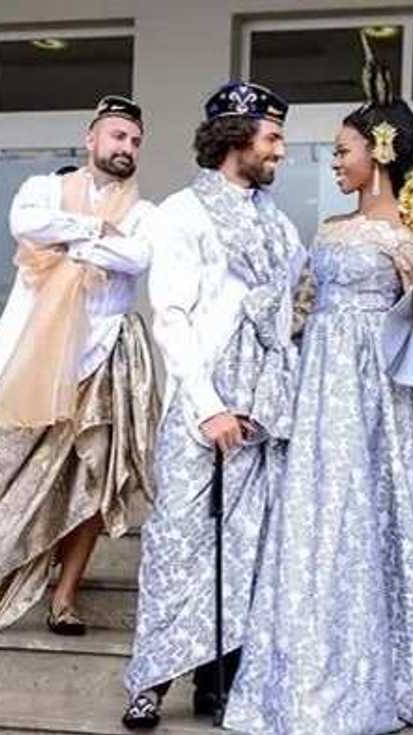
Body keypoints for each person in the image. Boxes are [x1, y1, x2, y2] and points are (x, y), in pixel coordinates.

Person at [222, 40, 413, 734]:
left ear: (381, 150)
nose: (335, 160)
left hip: (376, 395)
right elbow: (297, 309)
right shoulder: (330, 227)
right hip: (321, 394)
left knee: (383, 512)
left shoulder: (409, 234)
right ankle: (309, 675)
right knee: (319, 518)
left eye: (344, 149)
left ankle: (396, 672)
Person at [0, 96, 160, 636]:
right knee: (0, 477)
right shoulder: (42, 189)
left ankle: (64, 598)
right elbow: (26, 223)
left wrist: (72, 238)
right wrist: (99, 233)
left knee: (90, 483)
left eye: (136, 141)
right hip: (28, 360)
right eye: (118, 136)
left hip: (100, 363)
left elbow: (141, 257)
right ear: (91, 138)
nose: (127, 149)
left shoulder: (145, 212)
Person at [121, 82, 304, 730]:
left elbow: (290, 313)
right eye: (271, 136)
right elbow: (170, 317)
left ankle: (218, 678)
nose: (280, 148)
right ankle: (150, 677)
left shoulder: (280, 225)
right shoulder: (182, 213)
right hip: (206, 406)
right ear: (235, 138)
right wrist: (208, 406)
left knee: (250, 549)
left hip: (267, 408)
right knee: (180, 543)